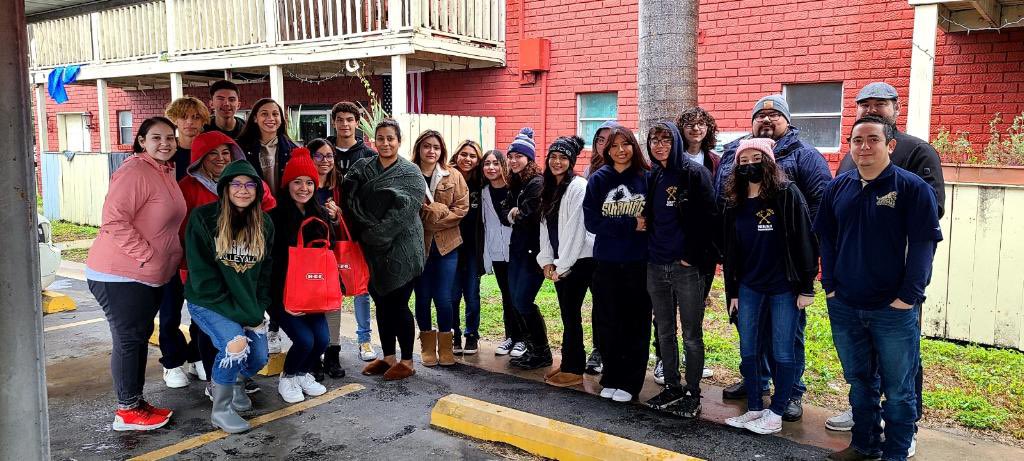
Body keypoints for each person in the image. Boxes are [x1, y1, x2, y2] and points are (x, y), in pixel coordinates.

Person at [826, 83, 946, 443]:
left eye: (880, 104)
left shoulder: (918, 153)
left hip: (897, 290)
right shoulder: (850, 161)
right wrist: (830, 285)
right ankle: (866, 430)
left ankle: (906, 432)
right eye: (864, 105)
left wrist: (909, 294)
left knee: (902, 373)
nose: (871, 109)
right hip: (850, 294)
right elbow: (834, 226)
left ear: (896, 109)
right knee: (862, 373)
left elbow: (930, 217)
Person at [715, 95, 833, 422]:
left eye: (775, 115)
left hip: (785, 273)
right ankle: (757, 385)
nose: (767, 119)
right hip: (749, 272)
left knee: (787, 339)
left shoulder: (804, 155)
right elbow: (723, 202)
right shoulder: (734, 153)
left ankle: (790, 392)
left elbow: (819, 205)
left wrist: (802, 261)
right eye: (760, 116)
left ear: (787, 121)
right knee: (751, 338)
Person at [85, 116, 186, 431]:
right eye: (156, 137)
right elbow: (114, 221)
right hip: (121, 274)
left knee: (138, 337)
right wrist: (148, 256)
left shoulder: (163, 171)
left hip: (147, 275)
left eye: (170, 137)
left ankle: (135, 402)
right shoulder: (135, 171)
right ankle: (127, 411)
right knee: (129, 339)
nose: (165, 143)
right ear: (141, 141)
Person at [721, 138, 818, 435]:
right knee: (748, 349)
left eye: (756, 158)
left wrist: (806, 286)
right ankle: (754, 408)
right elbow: (731, 251)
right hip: (748, 287)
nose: (749, 164)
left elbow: (805, 239)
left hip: (783, 287)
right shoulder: (735, 201)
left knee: (782, 351)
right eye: (743, 160)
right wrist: (732, 292)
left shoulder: (787, 194)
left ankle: (776, 412)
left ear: (769, 162)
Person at [178, 131, 277, 396]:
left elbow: (265, 273)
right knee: (234, 344)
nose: (243, 190)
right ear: (225, 188)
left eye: (250, 185)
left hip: (246, 301)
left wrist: (259, 306)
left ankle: (235, 382)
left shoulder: (264, 223)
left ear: (258, 189)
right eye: (236, 184)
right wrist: (240, 313)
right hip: (210, 300)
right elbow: (204, 276)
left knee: (259, 358)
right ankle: (221, 400)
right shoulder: (204, 218)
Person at [642, 121, 717, 418]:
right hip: (656, 264)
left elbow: (709, 218)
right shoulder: (654, 175)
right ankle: (672, 386)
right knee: (664, 330)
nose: (659, 145)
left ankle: (693, 392)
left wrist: (691, 256)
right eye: (654, 140)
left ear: (675, 141)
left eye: (665, 139)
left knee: (691, 334)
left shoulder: (693, 173)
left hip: (685, 267)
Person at [342, 119, 426, 381]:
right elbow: (349, 199)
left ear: (399, 141)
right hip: (370, 250)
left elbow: (402, 213)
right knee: (380, 302)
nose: (386, 143)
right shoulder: (363, 167)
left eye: (391, 138)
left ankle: (407, 361)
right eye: (381, 138)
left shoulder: (411, 173)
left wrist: (372, 233)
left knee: (398, 304)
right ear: (373, 141)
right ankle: (388, 356)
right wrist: (365, 229)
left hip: (403, 247)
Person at [583, 125, 652, 403]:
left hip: (638, 263)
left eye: (625, 144)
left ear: (634, 146)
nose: (620, 150)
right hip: (607, 262)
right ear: (607, 150)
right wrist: (630, 224)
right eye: (614, 145)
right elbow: (592, 222)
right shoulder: (598, 179)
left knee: (636, 323)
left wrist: (631, 225)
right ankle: (611, 376)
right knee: (608, 321)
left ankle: (631, 382)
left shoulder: (647, 178)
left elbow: (652, 221)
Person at [268, 152, 334, 403]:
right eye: (297, 182)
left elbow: (328, 253)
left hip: (313, 292)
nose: (303, 188)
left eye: (309, 182)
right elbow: (269, 262)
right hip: (283, 294)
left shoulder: (321, 215)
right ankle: (287, 377)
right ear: (287, 184)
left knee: (322, 340)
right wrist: (279, 300)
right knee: (305, 340)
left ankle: (302, 374)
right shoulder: (274, 217)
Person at [159, 96, 213, 389]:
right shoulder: (166, 156)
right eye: (184, 117)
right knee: (169, 308)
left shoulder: (208, 156)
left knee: (200, 306)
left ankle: (196, 355)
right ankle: (171, 362)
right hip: (169, 240)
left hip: (202, 244)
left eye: (196, 117)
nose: (190, 122)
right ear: (174, 120)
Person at [237, 97, 298, 353]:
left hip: (282, 222)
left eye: (275, 114)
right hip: (252, 220)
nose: (270, 118)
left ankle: (273, 328)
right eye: (264, 113)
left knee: (277, 275)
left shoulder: (292, 149)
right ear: (254, 118)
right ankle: (253, 324)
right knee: (252, 273)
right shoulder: (241, 148)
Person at [537, 135, 594, 387]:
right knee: (567, 315)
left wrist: (562, 266)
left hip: (581, 260)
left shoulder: (578, 186)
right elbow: (545, 227)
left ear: (571, 161)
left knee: (572, 315)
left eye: (563, 158)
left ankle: (574, 369)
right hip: (563, 261)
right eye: (553, 157)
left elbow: (575, 230)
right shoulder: (549, 187)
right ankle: (570, 361)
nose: (557, 162)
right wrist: (546, 260)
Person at [326, 101, 377, 362]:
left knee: (360, 286)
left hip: (357, 230)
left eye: (349, 119)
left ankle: (364, 339)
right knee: (329, 287)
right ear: (333, 122)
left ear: (357, 123)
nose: (345, 124)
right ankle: (330, 343)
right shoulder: (324, 150)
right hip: (327, 229)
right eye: (340, 119)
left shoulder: (368, 154)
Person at [412, 130, 469, 367]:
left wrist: (435, 220)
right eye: (427, 146)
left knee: (444, 298)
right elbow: (407, 210)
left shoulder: (453, 175)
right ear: (419, 148)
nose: (431, 151)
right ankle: (427, 346)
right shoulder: (409, 174)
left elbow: (461, 209)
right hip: (419, 247)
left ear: (442, 151)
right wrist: (429, 217)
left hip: (447, 247)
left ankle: (446, 346)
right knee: (423, 297)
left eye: (436, 147)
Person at [501, 128, 553, 370]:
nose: (513, 161)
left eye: (518, 156)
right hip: (517, 250)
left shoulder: (537, 183)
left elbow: (529, 216)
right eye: (510, 156)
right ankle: (533, 348)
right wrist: (513, 213)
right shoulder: (516, 183)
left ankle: (542, 351)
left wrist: (515, 213)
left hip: (534, 253)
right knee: (515, 300)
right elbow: (505, 212)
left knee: (523, 300)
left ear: (529, 158)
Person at [305, 138, 349, 380]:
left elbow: (344, 222)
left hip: (331, 254)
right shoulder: (303, 184)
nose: (325, 161)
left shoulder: (337, 186)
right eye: (319, 156)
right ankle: (314, 356)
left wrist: (335, 217)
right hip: (307, 254)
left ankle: (333, 354)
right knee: (311, 305)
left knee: (333, 303)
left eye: (329, 156)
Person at [480, 149, 525, 356]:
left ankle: (524, 339)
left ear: (503, 165)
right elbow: (485, 224)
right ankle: (511, 337)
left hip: (516, 250)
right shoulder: (483, 192)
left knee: (519, 295)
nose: (491, 167)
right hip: (497, 251)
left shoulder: (515, 188)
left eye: (495, 163)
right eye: (487, 163)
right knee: (506, 295)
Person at [582, 120, 618, 375]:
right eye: (600, 140)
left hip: (622, 250)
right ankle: (599, 348)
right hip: (593, 249)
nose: (604, 145)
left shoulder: (632, 172)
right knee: (600, 302)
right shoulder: (590, 172)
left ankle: (617, 351)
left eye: (611, 140)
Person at [449, 140, 485, 355]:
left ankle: (472, 334)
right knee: (452, 294)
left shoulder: (481, 182)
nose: (468, 159)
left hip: (473, 247)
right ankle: (454, 333)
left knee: (472, 294)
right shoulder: (447, 178)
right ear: (457, 155)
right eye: (464, 154)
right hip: (451, 245)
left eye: (473, 156)